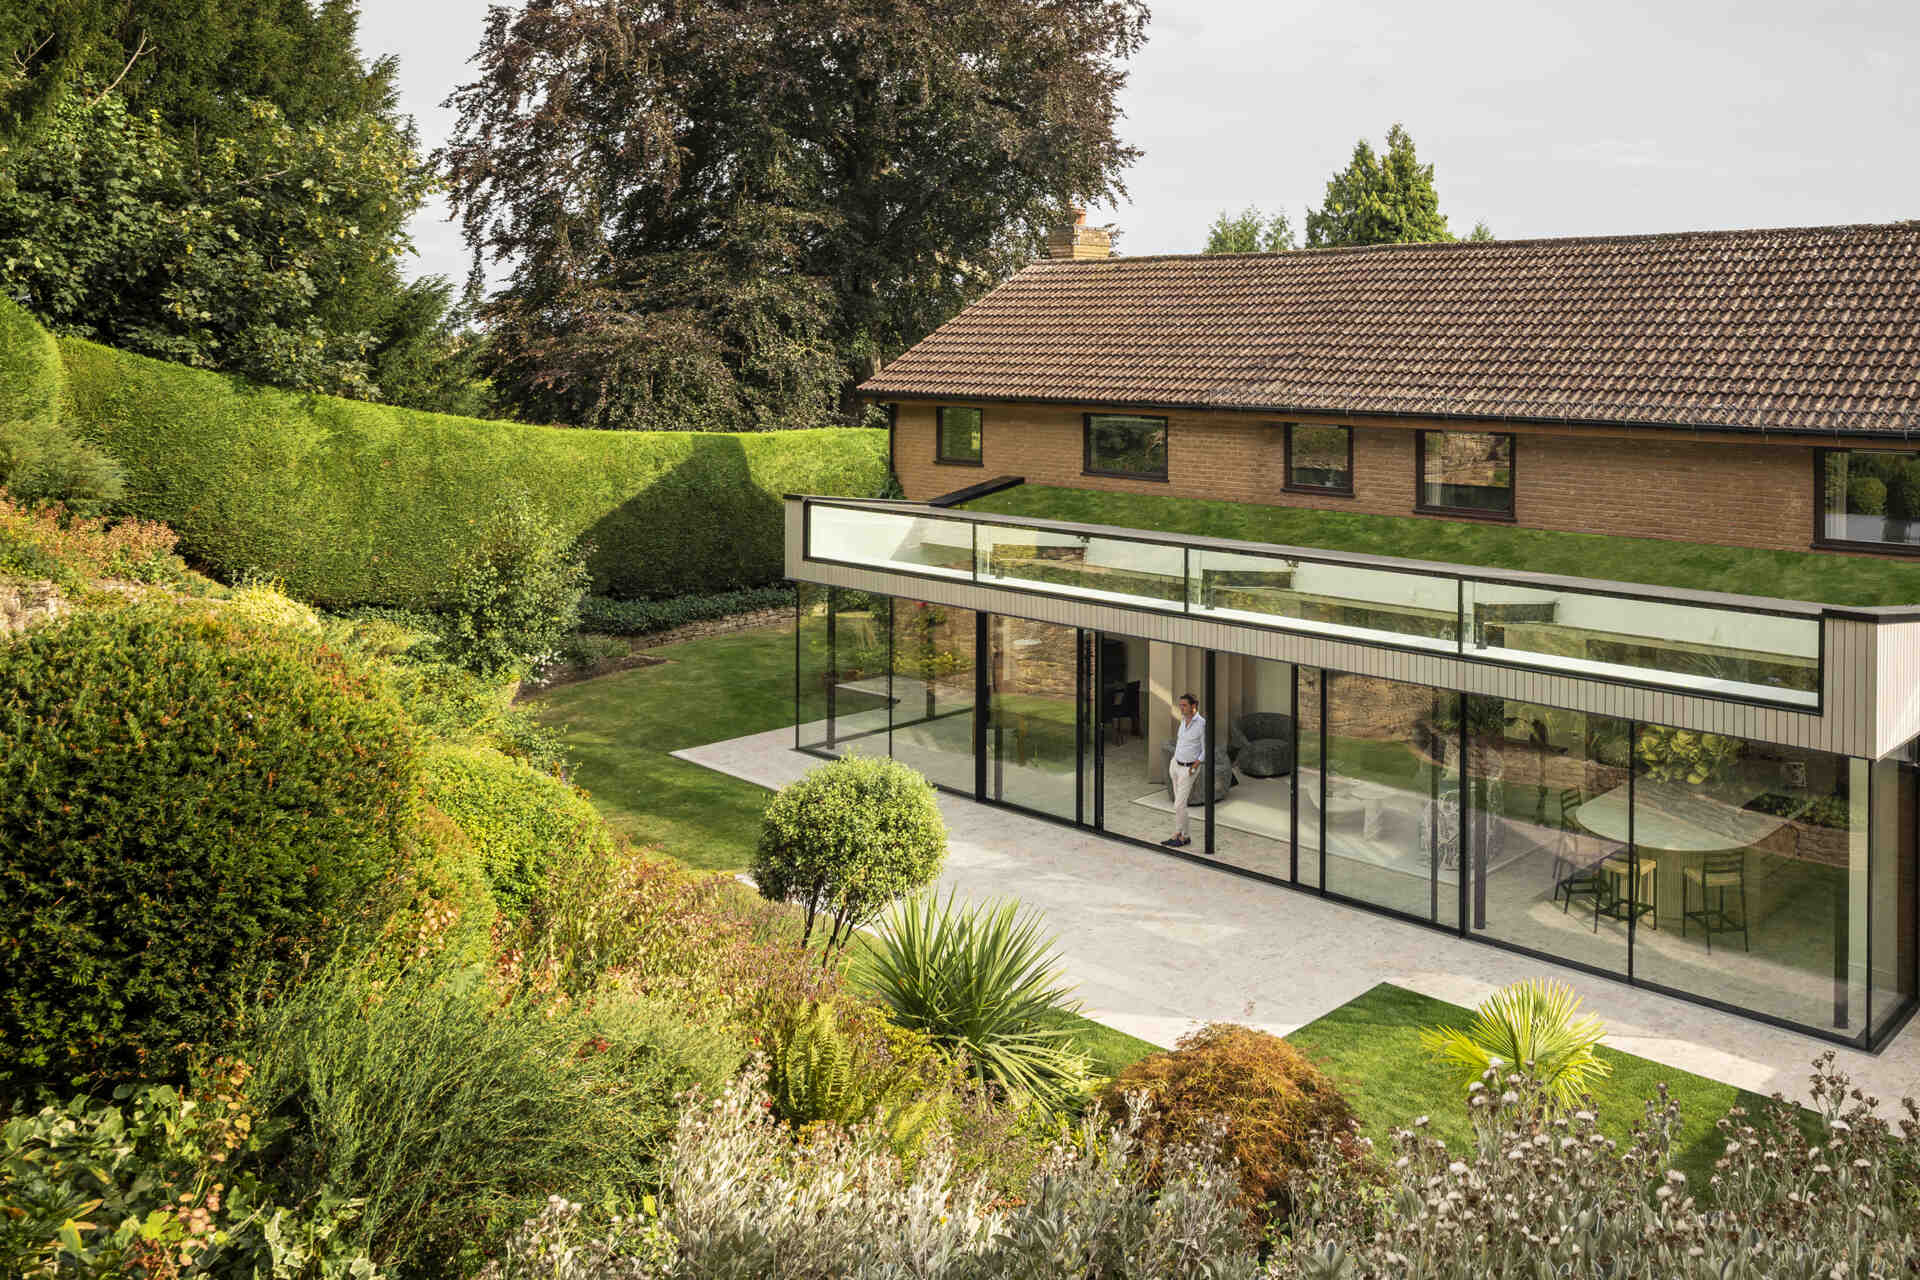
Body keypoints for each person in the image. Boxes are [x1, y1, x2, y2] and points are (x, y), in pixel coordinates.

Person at [1163, 692, 1205, 849]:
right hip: (1175, 765)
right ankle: (1184, 836)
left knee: (1179, 805)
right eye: (1180, 705)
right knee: (1179, 804)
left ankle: (1178, 834)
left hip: (1188, 769)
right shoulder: (1183, 720)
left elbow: (1205, 750)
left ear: (1193, 706)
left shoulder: (1202, 724)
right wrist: (1174, 761)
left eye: (1184, 705)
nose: (1181, 708)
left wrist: (1195, 766)